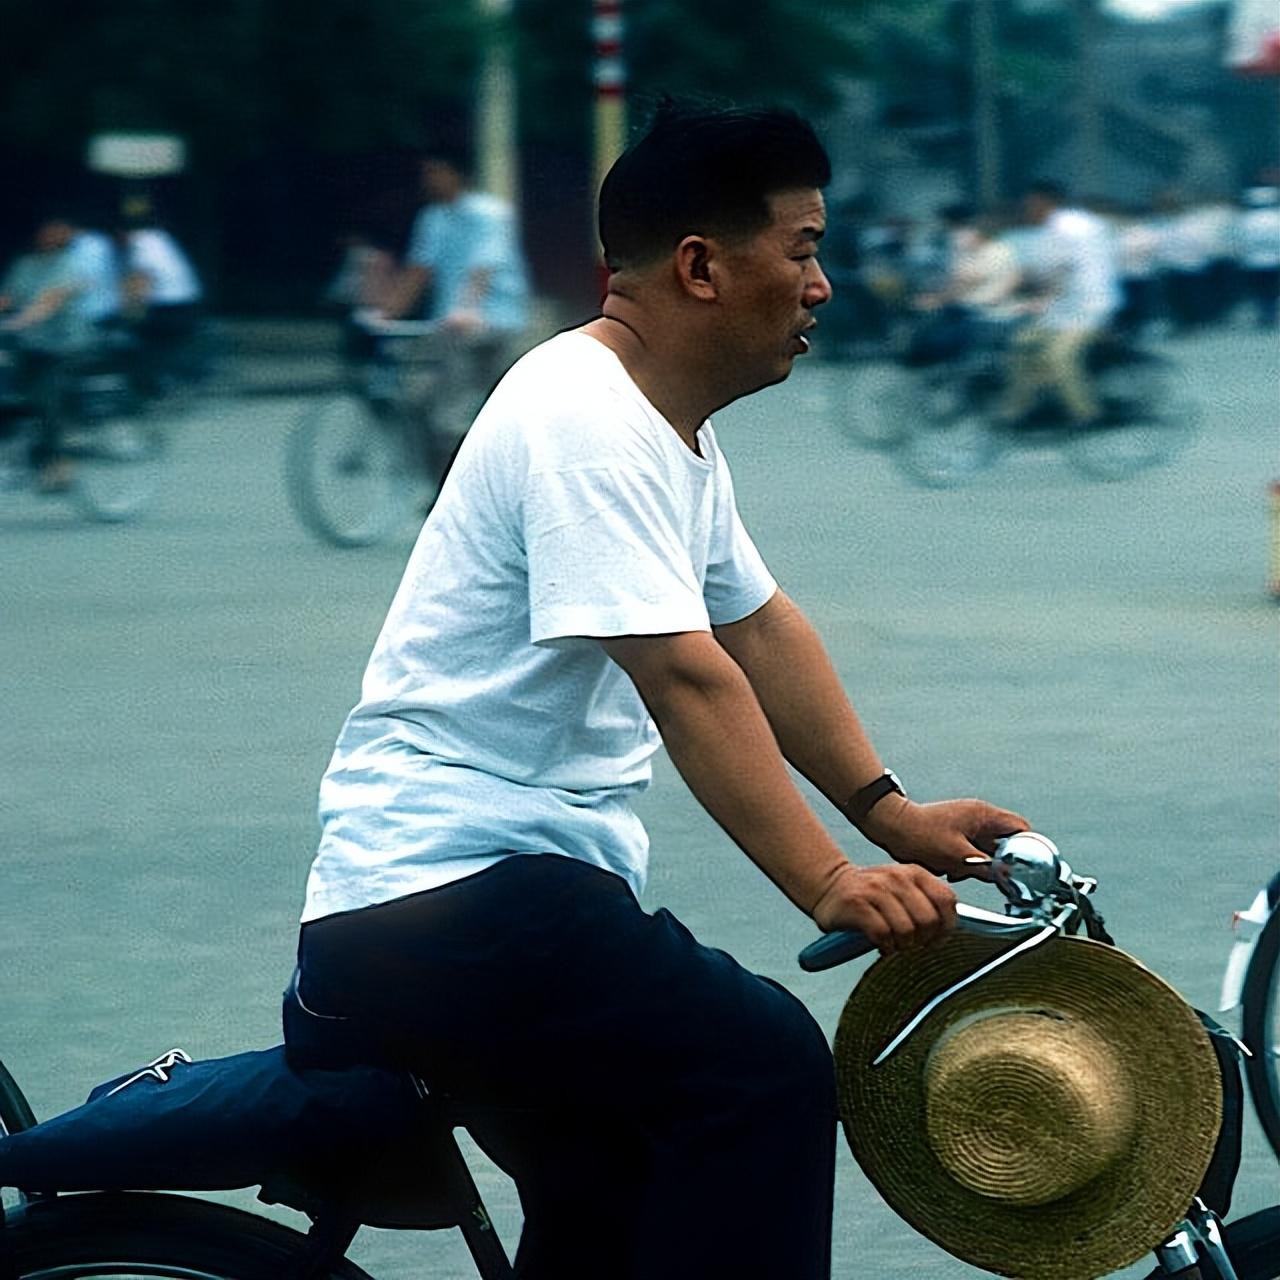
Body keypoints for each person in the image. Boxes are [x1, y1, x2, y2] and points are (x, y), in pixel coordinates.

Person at [285, 102, 1029, 1279]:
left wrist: (888, 814)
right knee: (761, 1067)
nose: (821, 285)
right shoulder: (582, 416)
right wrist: (829, 880)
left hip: (490, 893)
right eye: (800, 249)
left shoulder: (657, 421)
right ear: (698, 265)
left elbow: (757, 626)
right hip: (448, 891)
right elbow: (686, 675)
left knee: (614, 1191)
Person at [379, 152, 532, 441]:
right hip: (451, 324)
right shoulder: (432, 218)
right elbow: (419, 270)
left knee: (491, 404)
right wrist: (389, 313)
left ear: (457, 174)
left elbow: (484, 264)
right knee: (432, 401)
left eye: (437, 172)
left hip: (493, 320)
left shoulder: (490, 213)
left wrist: (467, 308)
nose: (430, 180)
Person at [0, 213, 121, 490]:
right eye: (47, 230)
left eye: (57, 230)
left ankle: (61, 463)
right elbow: (8, 297)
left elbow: (52, 300)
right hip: (32, 344)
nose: (51, 235)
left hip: (69, 345)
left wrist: (23, 320)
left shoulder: (72, 262)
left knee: (47, 397)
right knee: (14, 393)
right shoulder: (25, 264)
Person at [997, 181, 1120, 428]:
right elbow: (1036, 272)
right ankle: (1017, 411)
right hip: (1062, 309)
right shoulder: (1049, 230)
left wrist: (1039, 299)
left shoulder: (1070, 227)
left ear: (1045, 202)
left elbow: (1063, 271)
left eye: (1029, 204)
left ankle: (1088, 415)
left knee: (1059, 356)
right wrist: (1009, 290)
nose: (1025, 210)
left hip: (1088, 310)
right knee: (1020, 346)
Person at [905, 203, 1021, 365]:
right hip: (969, 306)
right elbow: (957, 280)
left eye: (969, 232)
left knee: (930, 341)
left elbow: (964, 284)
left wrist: (936, 299)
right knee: (930, 326)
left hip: (980, 311)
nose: (962, 238)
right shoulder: (988, 251)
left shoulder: (994, 253)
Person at [115, 199, 204, 394]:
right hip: (186, 305)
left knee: (131, 338)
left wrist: (127, 313)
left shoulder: (140, 244)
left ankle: (148, 386)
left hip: (171, 309)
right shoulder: (159, 238)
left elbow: (141, 284)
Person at [1235, 185, 1280, 329]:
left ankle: (1264, 313)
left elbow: (1239, 242)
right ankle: (1270, 313)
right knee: (1273, 289)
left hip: (1253, 261)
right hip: (1274, 260)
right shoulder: (1276, 218)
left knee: (1260, 290)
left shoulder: (1245, 220)